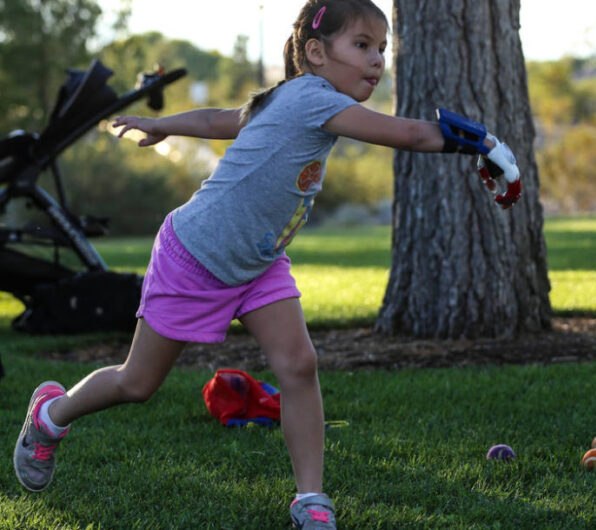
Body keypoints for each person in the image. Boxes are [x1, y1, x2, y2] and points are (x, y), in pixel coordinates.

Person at [12, 1, 519, 528]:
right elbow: (409, 135)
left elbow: (222, 119)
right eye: (362, 46)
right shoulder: (310, 98)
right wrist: (482, 143)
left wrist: (165, 123)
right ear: (317, 54)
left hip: (258, 263)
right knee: (136, 384)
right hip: (195, 256)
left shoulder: (289, 98)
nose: (376, 62)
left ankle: (311, 500)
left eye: (382, 50)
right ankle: (50, 416)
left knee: (299, 366)